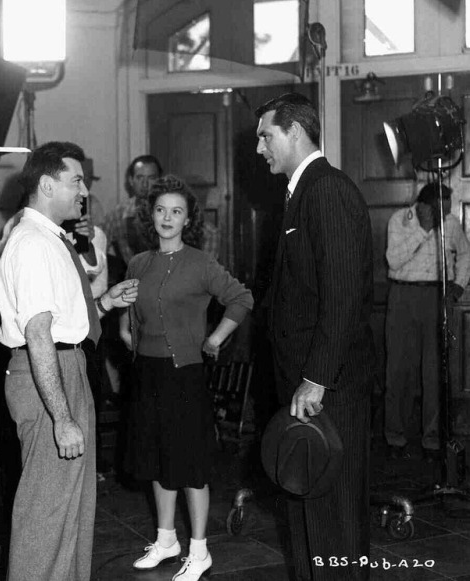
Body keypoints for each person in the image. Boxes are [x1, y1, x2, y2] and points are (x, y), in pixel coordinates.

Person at [0, 141, 139, 581]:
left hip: (65, 366)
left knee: (72, 509)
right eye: (75, 180)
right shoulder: (33, 243)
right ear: (46, 183)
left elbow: (61, 324)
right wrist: (61, 418)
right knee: (47, 511)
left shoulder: (51, 239)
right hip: (49, 378)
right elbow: (38, 335)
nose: (83, 190)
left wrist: (105, 303)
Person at [255, 92, 375, 581]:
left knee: (335, 522)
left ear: (295, 132)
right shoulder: (299, 194)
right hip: (307, 388)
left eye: (265, 135)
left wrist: (318, 377)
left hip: (328, 391)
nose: (259, 147)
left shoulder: (327, 190)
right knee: (309, 513)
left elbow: (343, 295)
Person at [120, 175, 253, 581]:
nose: (167, 217)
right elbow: (130, 319)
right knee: (159, 461)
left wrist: (215, 337)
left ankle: (199, 550)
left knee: (190, 464)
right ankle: (166, 541)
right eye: (160, 210)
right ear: (151, 215)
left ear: (188, 219)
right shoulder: (139, 263)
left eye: (176, 211)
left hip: (185, 374)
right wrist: (127, 333)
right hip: (148, 373)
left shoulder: (200, 263)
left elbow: (241, 298)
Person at [384, 182, 470, 461]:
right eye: (442, 205)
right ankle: (395, 435)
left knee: (435, 372)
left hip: (436, 296)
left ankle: (432, 438)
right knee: (398, 368)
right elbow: (393, 261)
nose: (446, 211)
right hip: (403, 297)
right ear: (427, 204)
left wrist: (458, 285)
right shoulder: (401, 220)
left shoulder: (452, 224)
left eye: (449, 205)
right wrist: (423, 230)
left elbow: (466, 253)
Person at [103, 154, 163, 282]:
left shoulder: (173, 208)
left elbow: (210, 233)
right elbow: (98, 248)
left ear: (159, 181)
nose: (145, 184)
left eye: (151, 178)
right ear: (131, 180)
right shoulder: (118, 214)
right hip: (135, 286)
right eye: (140, 177)